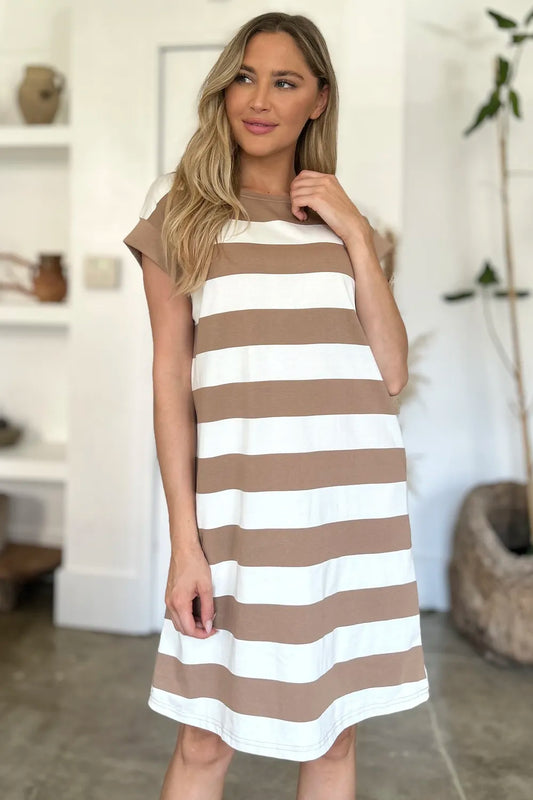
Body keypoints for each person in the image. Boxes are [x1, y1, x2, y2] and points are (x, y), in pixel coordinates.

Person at [123, 11, 430, 800]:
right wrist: (184, 544)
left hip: (347, 512)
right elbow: (169, 383)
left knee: (333, 735)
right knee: (203, 737)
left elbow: (390, 372)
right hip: (238, 518)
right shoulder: (182, 221)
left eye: (284, 81)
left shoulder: (342, 228)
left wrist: (356, 231)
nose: (259, 99)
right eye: (245, 77)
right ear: (224, 91)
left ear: (318, 100)